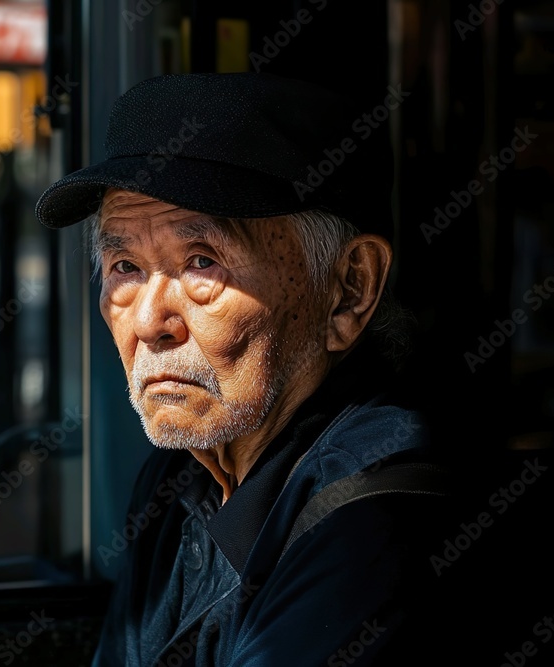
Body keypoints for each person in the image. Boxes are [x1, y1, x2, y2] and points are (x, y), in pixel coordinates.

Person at [35, 73, 459, 665]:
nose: (151, 319)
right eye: (125, 266)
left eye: (201, 262)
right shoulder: (174, 479)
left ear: (349, 290)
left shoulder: (375, 514)